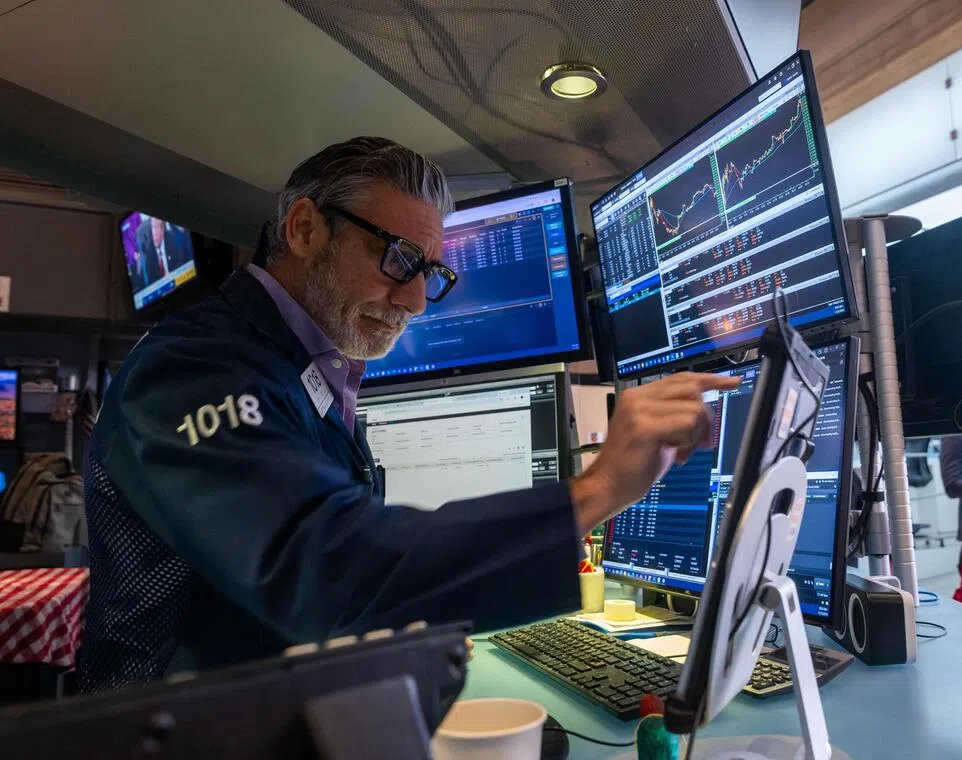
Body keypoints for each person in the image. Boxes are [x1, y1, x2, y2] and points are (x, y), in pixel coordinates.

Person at [78, 137, 739, 693]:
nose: (418, 301)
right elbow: (322, 568)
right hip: (179, 736)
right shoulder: (194, 369)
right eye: (398, 258)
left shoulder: (308, 365)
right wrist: (595, 492)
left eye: (430, 273)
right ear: (305, 229)